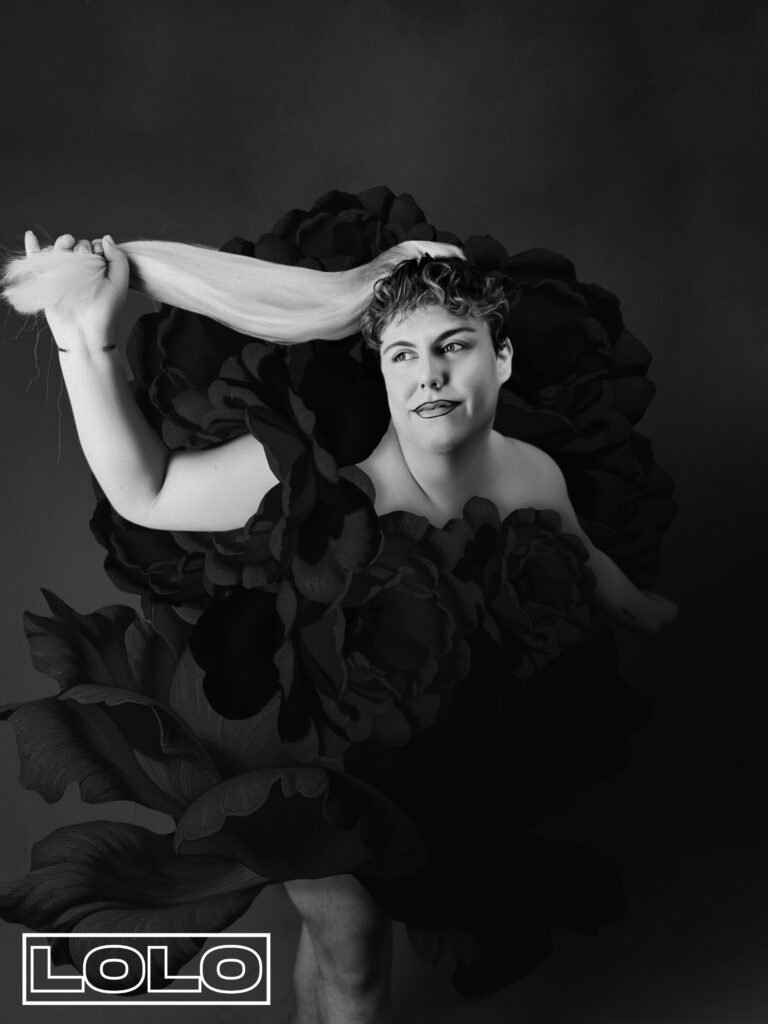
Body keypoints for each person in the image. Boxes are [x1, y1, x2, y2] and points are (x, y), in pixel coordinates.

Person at [2, 225, 677, 1024]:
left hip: (431, 753)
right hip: (307, 750)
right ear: (380, 369)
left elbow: (586, 559)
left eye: (454, 348)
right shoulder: (323, 478)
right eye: (403, 355)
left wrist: (649, 611)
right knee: (352, 949)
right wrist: (86, 343)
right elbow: (145, 494)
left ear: (500, 359)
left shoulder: (531, 473)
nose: (429, 376)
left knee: (341, 946)